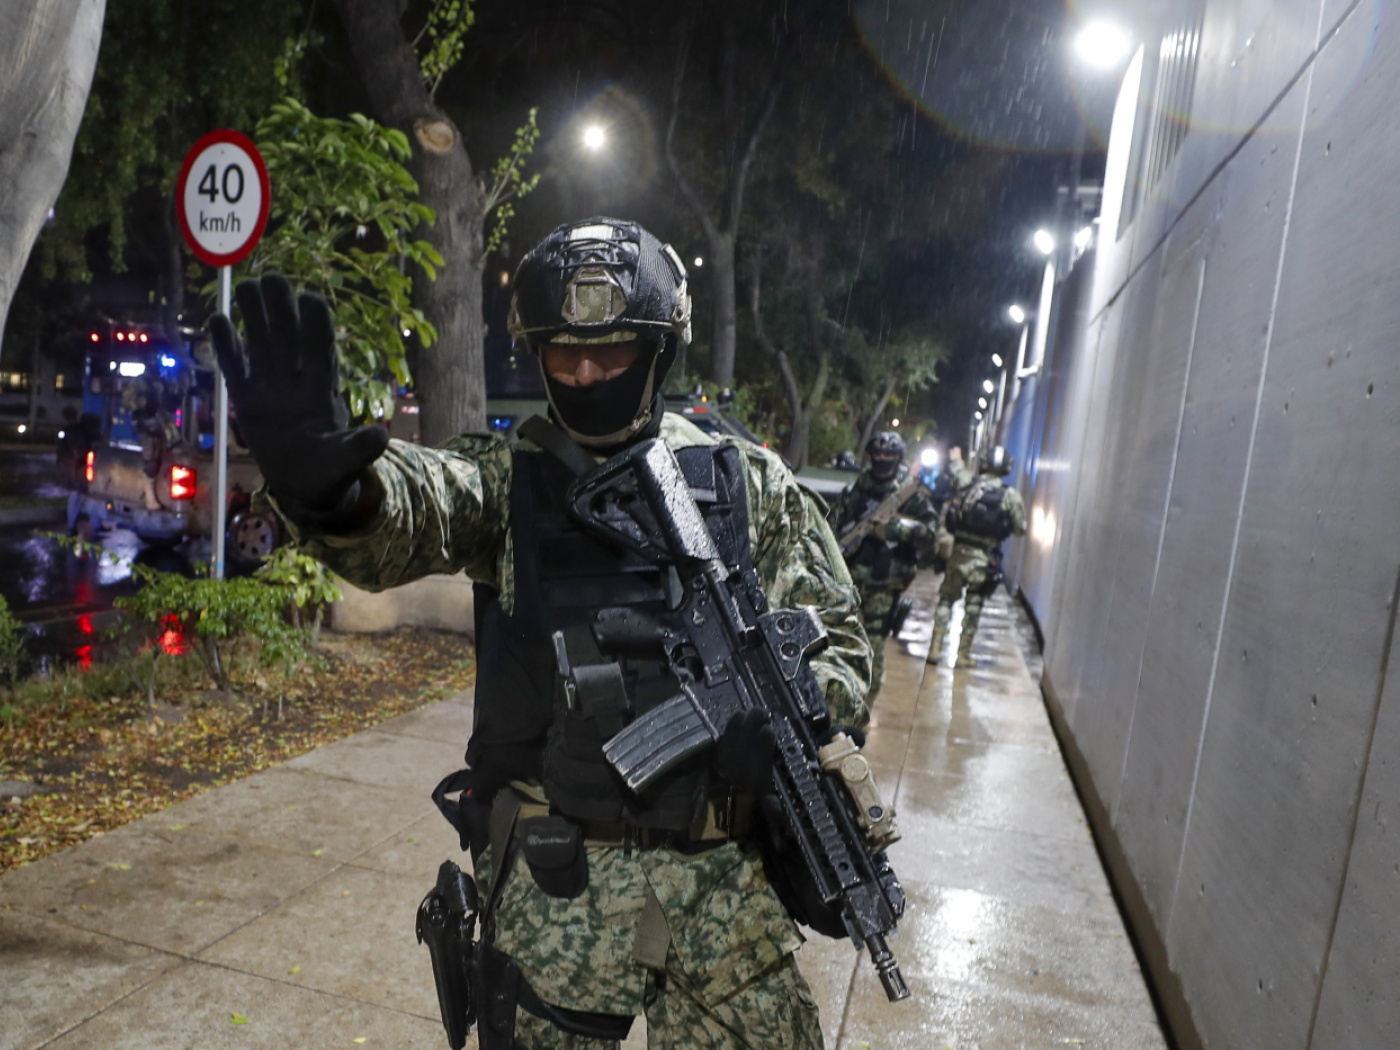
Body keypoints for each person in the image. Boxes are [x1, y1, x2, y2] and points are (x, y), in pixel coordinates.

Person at [210, 217, 872, 1050]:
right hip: (556, 891)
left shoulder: (749, 485)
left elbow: (839, 640)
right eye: (562, 354)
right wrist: (338, 494)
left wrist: (787, 722)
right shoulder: (507, 476)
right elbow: (422, 501)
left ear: (660, 349)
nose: (586, 373)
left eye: (612, 350)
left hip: (725, 891)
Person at [829, 431, 940, 705]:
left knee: (874, 651)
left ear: (898, 457)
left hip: (883, 583)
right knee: (840, 645)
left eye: (889, 454)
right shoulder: (858, 488)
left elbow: (931, 534)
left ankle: (863, 709)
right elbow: (836, 523)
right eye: (877, 454)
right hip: (849, 580)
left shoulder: (909, 493)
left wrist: (896, 529)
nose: (882, 458)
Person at [927, 445, 1027, 669]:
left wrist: (956, 459)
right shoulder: (1010, 496)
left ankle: (935, 648)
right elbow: (1021, 528)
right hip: (984, 559)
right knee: (973, 605)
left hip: (959, 553)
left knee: (946, 599)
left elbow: (957, 472)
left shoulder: (969, 484)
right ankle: (962, 655)